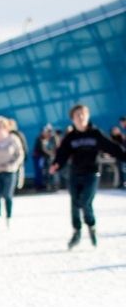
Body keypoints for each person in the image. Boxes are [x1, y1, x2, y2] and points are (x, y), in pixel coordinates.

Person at [49, 104, 126, 249]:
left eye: (83, 114)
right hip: (75, 173)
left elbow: (112, 147)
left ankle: (91, 225)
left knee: (85, 201)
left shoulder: (95, 133)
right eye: (77, 115)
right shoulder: (70, 137)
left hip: (92, 173)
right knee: (74, 202)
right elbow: (62, 153)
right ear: (73, 119)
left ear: (88, 116)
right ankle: (77, 231)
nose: (81, 117)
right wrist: (56, 164)